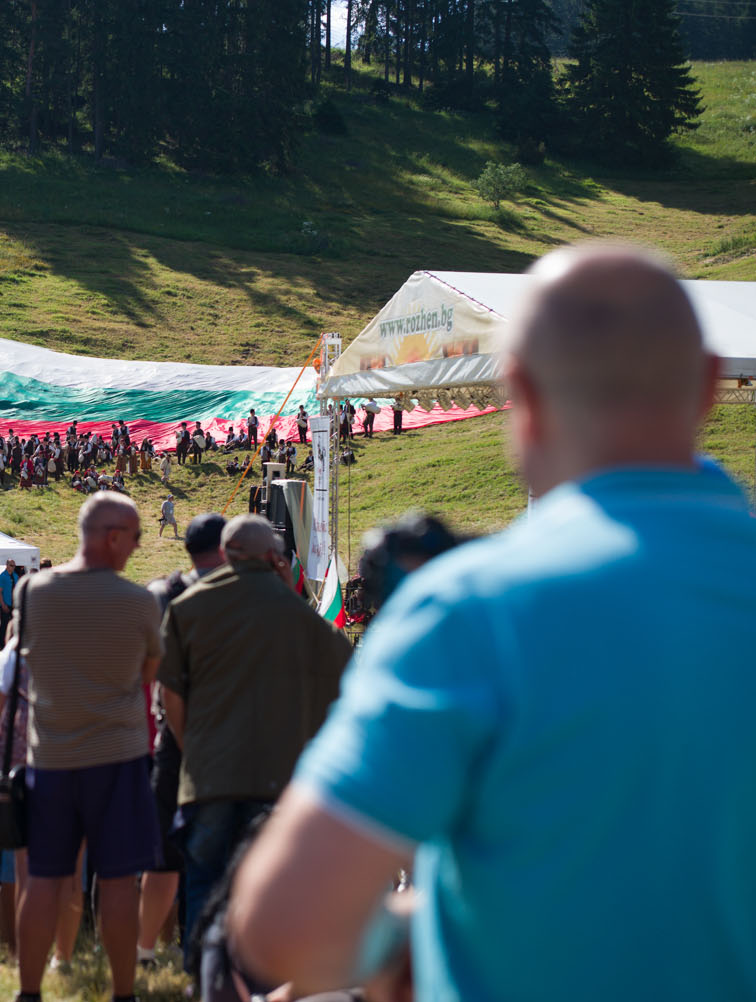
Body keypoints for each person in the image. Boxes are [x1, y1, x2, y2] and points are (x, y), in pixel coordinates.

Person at [227, 245, 756, 1000]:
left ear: (520, 392)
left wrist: (409, 938)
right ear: (709, 384)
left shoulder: (469, 613)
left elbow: (287, 926)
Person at [159, 515, 350, 981]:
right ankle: (259, 983)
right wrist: (290, 592)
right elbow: (343, 669)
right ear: (274, 559)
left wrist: (192, 752)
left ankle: (204, 980)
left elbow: (171, 697)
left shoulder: (188, 607)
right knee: (268, 890)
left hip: (208, 774)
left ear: (225, 555)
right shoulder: (294, 613)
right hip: (277, 778)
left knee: (204, 887)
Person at [14, 492, 163, 1002]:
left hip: (50, 757)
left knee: (44, 879)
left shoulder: (32, 592)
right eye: (137, 537)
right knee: (119, 883)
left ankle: (28, 992)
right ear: (113, 536)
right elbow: (148, 674)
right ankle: (124, 993)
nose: (137, 547)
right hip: (117, 756)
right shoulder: (139, 602)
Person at [140, 512, 226, 966]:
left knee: (163, 853)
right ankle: (201, 949)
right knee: (212, 851)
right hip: (216, 734)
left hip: (167, 737)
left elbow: (151, 673)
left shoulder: (161, 593)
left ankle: (145, 949)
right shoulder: (233, 596)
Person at [0, 559, 23, 645]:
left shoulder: (15, 576)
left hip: (14, 604)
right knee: (4, 626)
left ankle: (12, 644)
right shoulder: (2, 577)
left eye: (14, 566)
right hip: (5, 604)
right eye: (11, 565)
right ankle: (2, 645)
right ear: (6, 565)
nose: (13, 567)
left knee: (14, 625)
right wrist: (3, 605)